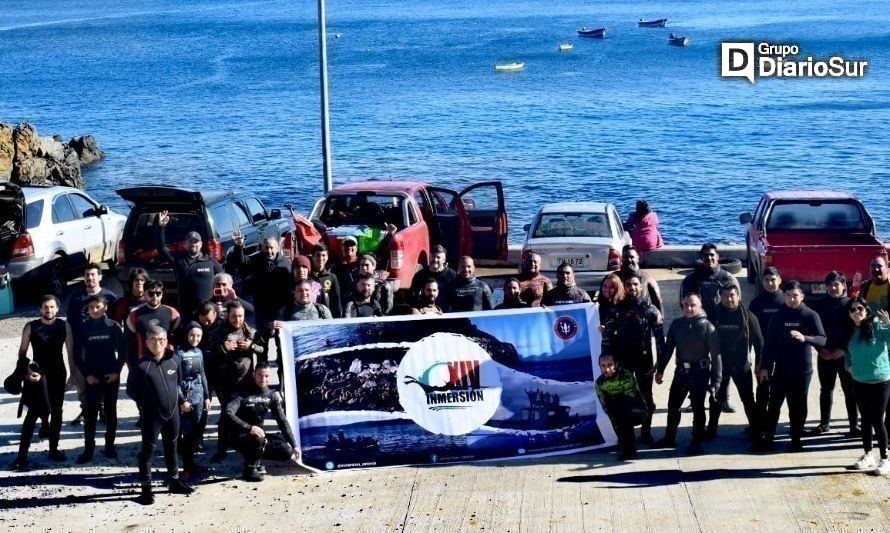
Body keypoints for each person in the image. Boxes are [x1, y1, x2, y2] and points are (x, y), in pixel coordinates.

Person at [128, 326, 195, 505]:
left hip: (173, 414)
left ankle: (174, 481)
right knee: (147, 451)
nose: (158, 343)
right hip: (152, 415)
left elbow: (177, 385)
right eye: (154, 340)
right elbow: (130, 390)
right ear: (147, 341)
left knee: (172, 448)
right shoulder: (141, 365)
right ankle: (146, 490)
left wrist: (182, 402)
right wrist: (144, 404)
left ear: (167, 341)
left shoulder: (174, 360)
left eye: (162, 340)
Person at [758, 280, 826, 452]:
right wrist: (765, 366)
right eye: (788, 295)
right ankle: (769, 437)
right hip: (781, 368)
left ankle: (796, 440)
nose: (791, 299)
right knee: (774, 404)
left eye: (795, 296)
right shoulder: (778, 316)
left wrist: (806, 338)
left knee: (798, 406)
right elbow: (769, 344)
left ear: (802, 296)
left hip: (802, 370)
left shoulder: (810, 315)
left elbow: (822, 339)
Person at [601, 274, 665, 444]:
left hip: (644, 361)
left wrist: (661, 366)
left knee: (646, 399)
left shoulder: (651, 311)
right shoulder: (616, 310)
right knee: (623, 399)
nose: (632, 287)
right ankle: (626, 435)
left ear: (641, 287)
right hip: (622, 361)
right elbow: (606, 336)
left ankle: (646, 431)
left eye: (635, 284)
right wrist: (605, 359)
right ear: (625, 287)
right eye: (628, 284)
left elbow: (660, 340)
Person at [654, 293, 722, 455]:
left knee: (698, 408)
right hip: (681, 372)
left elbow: (716, 356)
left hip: (700, 373)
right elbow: (668, 349)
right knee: (673, 406)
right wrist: (661, 369)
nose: (689, 308)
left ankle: (697, 441)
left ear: (700, 307)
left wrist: (716, 382)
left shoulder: (708, 327)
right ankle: (669, 437)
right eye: (686, 305)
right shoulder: (677, 325)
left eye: (693, 305)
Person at [12, 295, 74, 469]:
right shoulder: (31, 327)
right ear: (40, 309)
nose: (49, 310)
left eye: (52, 307)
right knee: (32, 414)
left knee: (56, 412)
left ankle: (53, 449)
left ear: (58, 308)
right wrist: (27, 371)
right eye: (46, 307)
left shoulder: (64, 325)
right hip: (37, 376)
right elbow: (22, 353)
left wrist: (73, 375)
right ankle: (21, 455)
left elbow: (70, 352)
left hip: (58, 374)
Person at [680, 243, 739, 413]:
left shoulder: (727, 278)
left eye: (712, 255)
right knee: (695, 365)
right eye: (705, 255)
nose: (709, 258)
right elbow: (683, 304)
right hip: (698, 328)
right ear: (701, 258)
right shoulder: (691, 279)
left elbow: (736, 304)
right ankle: (694, 399)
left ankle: (724, 398)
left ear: (717, 256)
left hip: (722, 329)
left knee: (723, 363)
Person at [224, 364, 300, 481]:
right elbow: (228, 413)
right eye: (260, 375)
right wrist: (249, 428)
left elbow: (282, 421)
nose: (263, 379)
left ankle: (255, 457)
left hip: (258, 436)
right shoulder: (242, 392)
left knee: (286, 451)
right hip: (238, 436)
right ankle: (250, 469)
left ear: (270, 377)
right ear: (253, 374)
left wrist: (294, 445)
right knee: (257, 437)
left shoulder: (271, 396)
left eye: (266, 376)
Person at [66, 262, 118, 426]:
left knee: (103, 379)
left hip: (105, 346)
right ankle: (86, 409)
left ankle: (101, 409)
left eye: (93, 274)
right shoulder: (76, 298)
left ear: (100, 277)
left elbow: (117, 323)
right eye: (87, 275)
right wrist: (71, 347)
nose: (90, 278)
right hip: (83, 346)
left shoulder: (110, 297)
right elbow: (69, 325)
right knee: (83, 382)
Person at [707, 284, 762, 440]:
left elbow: (760, 343)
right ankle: (711, 430)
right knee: (716, 398)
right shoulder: (714, 315)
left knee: (748, 399)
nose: (729, 299)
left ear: (738, 296)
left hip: (741, 366)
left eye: (732, 295)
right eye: (725, 296)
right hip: (720, 366)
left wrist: (759, 364)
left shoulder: (748, 316)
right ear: (720, 297)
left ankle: (755, 428)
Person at [74, 295, 125, 463]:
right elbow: (77, 355)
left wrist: (116, 373)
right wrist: (87, 375)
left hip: (110, 376)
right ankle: (88, 450)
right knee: (90, 414)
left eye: (98, 306)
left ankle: (109, 447)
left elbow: (123, 352)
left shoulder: (113, 326)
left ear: (105, 307)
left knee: (110, 412)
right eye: (91, 307)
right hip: (91, 377)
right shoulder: (84, 327)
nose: (94, 310)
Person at [211, 301, 264, 462]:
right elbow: (210, 354)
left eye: (240, 316)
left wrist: (252, 346)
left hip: (247, 382)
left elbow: (264, 351)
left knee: (250, 415)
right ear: (228, 315)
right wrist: (223, 348)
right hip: (226, 383)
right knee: (226, 416)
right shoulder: (219, 332)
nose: (237, 319)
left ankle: (250, 447)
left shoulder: (251, 332)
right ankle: (221, 450)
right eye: (234, 316)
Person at [807, 271, 858, 437]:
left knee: (850, 391)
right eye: (829, 285)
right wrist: (820, 350)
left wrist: (842, 350)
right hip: (825, 354)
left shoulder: (851, 304)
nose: (832, 288)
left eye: (836, 284)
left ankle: (853, 425)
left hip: (846, 354)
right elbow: (813, 331)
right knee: (826, 390)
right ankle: (824, 424)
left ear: (844, 285)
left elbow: (855, 331)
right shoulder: (819, 305)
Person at [844, 298, 890, 475]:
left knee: (878, 420)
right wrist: (848, 366)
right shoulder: (850, 331)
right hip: (859, 381)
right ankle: (868, 455)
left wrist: (889, 324)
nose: (857, 311)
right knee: (865, 420)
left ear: (867, 310)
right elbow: (847, 352)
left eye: (860, 308)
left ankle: (885, 459)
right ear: (849, 314)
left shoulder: (877, 325)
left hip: (881, 381)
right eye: (853, 309)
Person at [236, 236, 292, 364]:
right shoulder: (257, 259)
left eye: (272, 247)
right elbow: (242, 262)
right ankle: (262, 380)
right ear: (262, 247)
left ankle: (283, 382)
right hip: (262, 312)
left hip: (280, 313)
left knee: (282, 348)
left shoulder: (285, 263)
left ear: (278, 248)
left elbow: (290, 290)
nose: (269, 250)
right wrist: (239, 247)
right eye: (266, 247)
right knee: (261, 347)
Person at [157, 211, 223, 318]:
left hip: (208, 312)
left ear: (201, 244)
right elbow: (162, 248)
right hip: (187, 312)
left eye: (196, 241)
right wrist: (161, 227)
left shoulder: (210, 261)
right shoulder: (178, 260)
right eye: (190, 241)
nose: (193, 244)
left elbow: (224, 279)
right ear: (185, 244)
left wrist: (220, 302)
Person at [748, 266, 784, 429]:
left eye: (773, 279)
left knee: (780, 390)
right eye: (766, 280)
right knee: (762, 389)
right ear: (762, 282)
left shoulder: (786, 300)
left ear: (780, 280)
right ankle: (759, 422)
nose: (770, 283)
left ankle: (773, 423)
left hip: (783, 353)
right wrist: (750, 355)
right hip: (762, 352)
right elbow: (748, 331)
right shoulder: (756, 303)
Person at [595, 353, 648, 460]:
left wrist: (614, 404)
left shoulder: (625, 376)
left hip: (636, 411)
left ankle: (629, 448)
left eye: (610, 365)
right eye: (603, 366)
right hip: (616, 412)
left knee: (622, 415)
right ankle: (624, 443)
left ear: (616, 364)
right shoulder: (599, 383)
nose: (607, 369)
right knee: (616, 418)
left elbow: (630, 398)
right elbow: (604, 404)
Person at [176, 322, 211, 479]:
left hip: (198, 396)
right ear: (186, 335)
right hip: (185, 398)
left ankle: (192, 464)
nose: (194, 338)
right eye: (192, 335)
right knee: (185, 433)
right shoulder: (179, 353)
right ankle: (185, 467)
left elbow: (202, 374)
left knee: (195, 433)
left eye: (198, 336)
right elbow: (175, 380)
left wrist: (207, 397)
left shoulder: (199, 352)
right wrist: (182, 400)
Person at [618, 244, 662, 313]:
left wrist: (660, 319)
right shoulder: (614, 278)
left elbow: (658, 301)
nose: (629, 260)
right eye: (625, 257)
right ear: (621, 259)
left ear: (637, 258)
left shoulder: (647, 278)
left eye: (632, 257)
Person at [410, 244, 456, 309]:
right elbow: (412, 297)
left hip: (446, 314)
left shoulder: (452, 275)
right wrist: (414, 309)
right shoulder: (420, 275)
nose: (435, 259)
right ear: (429, 257)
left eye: (438, 257)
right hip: (426, 313)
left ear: (444, 260)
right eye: (433, 256)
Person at [310, 243, 343, 318]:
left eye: (323, 255)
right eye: (318, 255)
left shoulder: (332, 277)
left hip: (326, 317)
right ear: (312, 257)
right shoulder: (308, 277)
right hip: (311, 316)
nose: (321, 258)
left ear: (327, 257)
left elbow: (336, 301)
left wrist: (336, 318)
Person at [333, 235, 360, 305]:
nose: (349, 247)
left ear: (356, 248)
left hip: (359, 302)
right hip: (342, 303)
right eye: (346, 245)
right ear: (342, 248)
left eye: (352, 245)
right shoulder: (336, 268)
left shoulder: (362, 264)